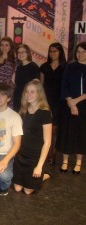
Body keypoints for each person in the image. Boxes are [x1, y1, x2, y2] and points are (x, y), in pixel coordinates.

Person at [13, 79, 52, 195]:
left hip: (35, 157)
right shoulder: (23, 110)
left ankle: (44, 174)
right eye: (27, 91)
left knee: (28, 191)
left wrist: (39, 166)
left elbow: (47, 142)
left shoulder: (45, 113)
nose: (28, 94)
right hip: (21, 155)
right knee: (17, 189)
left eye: (32, 92)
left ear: (39, 93)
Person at [57, 41, 86, 175]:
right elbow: (64, 84)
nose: (80, 54)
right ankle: (65, 161)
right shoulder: (70, 67)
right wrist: (70, 102)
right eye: (78, 51)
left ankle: (78, 162)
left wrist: (76, 102)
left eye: (83, 52)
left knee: (81, 133)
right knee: (67, 132)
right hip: (68, 104)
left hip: (83, 105)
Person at [40, 43, 67, 165]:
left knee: (55, 130)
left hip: (60, 102)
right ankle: (45, 154)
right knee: (46, 129)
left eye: (55, 51)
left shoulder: (65, 67)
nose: (53, 53)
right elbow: (41, 85)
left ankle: (52, 155)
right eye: (50, 51)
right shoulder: (44, 67)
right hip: (46, 101)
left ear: (60, 52)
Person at [13, 44, 40, 112]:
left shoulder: (33, 66)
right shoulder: (18, 67)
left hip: (28, 98)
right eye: (19, 52)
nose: (20, 54)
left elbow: (36, 85)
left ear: (27, 53)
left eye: (23, 52)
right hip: (18, 97)